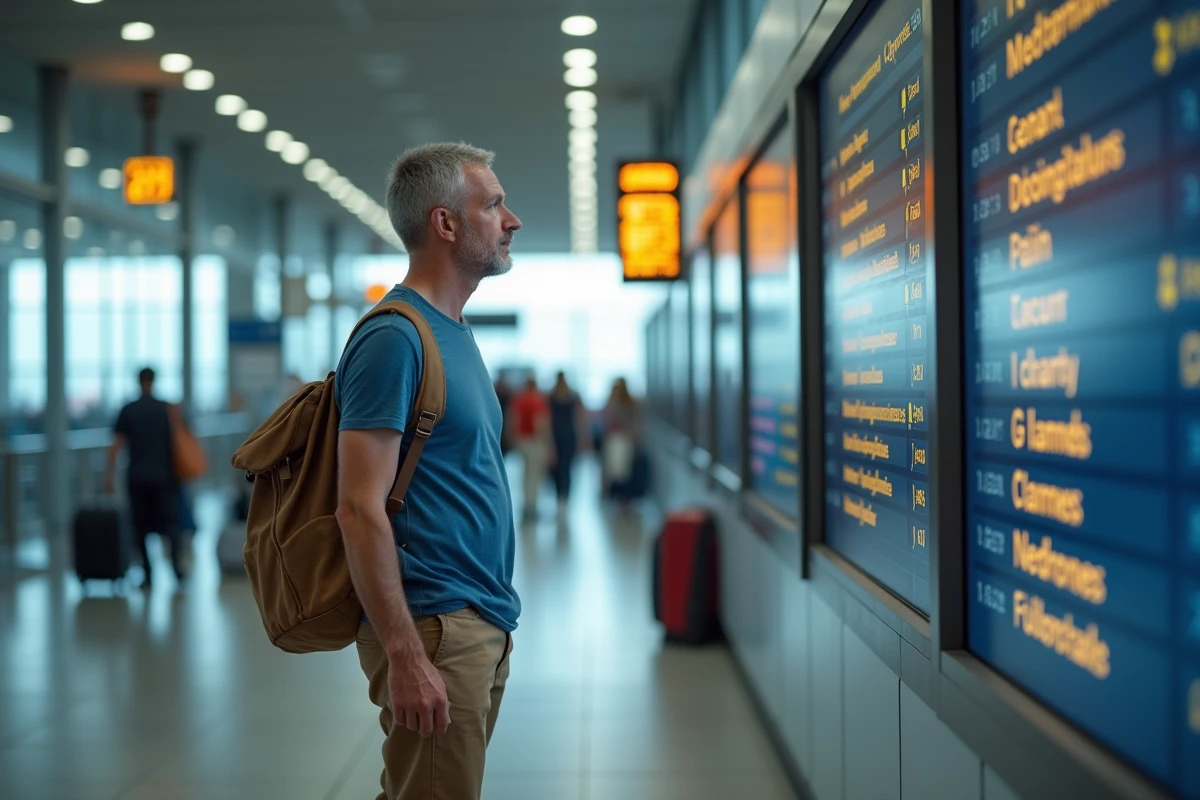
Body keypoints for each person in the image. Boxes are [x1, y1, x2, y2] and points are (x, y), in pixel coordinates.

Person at [333, 142, 522, 800]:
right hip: (435, 625)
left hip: (477, 617)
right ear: (445, 223)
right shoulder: (396, 337)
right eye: (493, 205)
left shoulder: (454, 331)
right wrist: (407, 653)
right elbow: (358, 507)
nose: (511, 220)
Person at [103, 367, 186, 588]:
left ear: (138, 381)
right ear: (154, 381)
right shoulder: (166, 409)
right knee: (171, 524)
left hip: (137, 477)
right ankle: (176, 569)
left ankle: (148, 573)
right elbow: (181, 441)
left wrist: (108, 475)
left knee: (139, 526)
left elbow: (116, 444)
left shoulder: (129, 409)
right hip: (166, 476)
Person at [507, 376, 553, 519]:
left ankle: (526, 504)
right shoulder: (538, 400)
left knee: (525, 474)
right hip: (534, 441)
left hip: (521, 440)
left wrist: (512, 437)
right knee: (534, 475)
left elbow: (513, 419)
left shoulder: (518, 399)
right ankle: (531, 505)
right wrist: (547, 443)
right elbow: (540, 423)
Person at [547, 371, 586, 515]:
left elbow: (579, 418)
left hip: (560, 436)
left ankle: (562, 498)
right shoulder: (569, 397)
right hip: (566, 436)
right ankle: (563, 499)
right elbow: (579, 419)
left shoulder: (553, 397)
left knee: (561, 469)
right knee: (564, 469)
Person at [601, 377, 644, 504]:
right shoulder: (613, 403)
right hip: (616, 439)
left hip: (623, 439)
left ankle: (623, 499)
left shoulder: (631, 403)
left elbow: (634, 423)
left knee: (624, 472)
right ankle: (616, 497)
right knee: (615, 471)